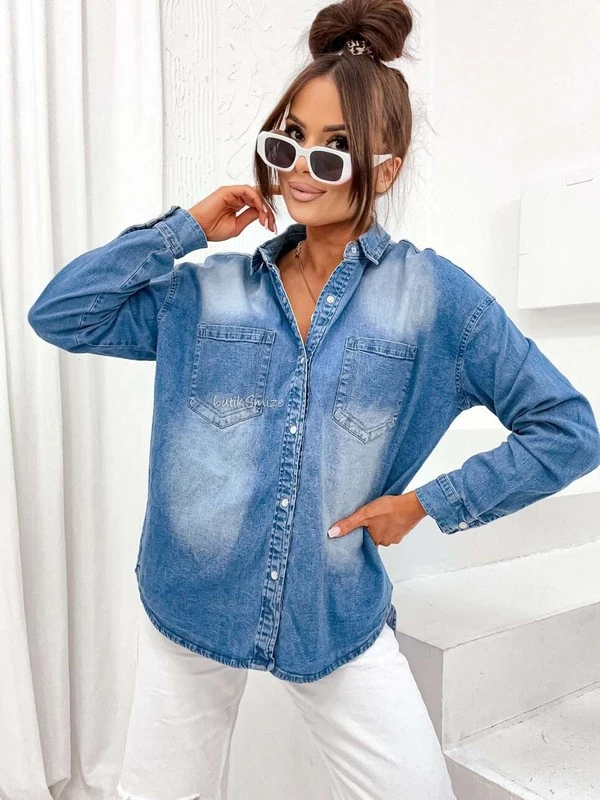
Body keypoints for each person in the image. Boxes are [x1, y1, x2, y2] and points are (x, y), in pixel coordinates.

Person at [27, 0, 600, 798]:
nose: (300, 166)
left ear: (384, 172)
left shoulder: (434, 300)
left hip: (332, 616)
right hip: (188, 601)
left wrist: (427, 504)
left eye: (333, 150)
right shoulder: (207, 291)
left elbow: (568, 429)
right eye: (288, 137)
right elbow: (61, 314)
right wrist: (184, 229)